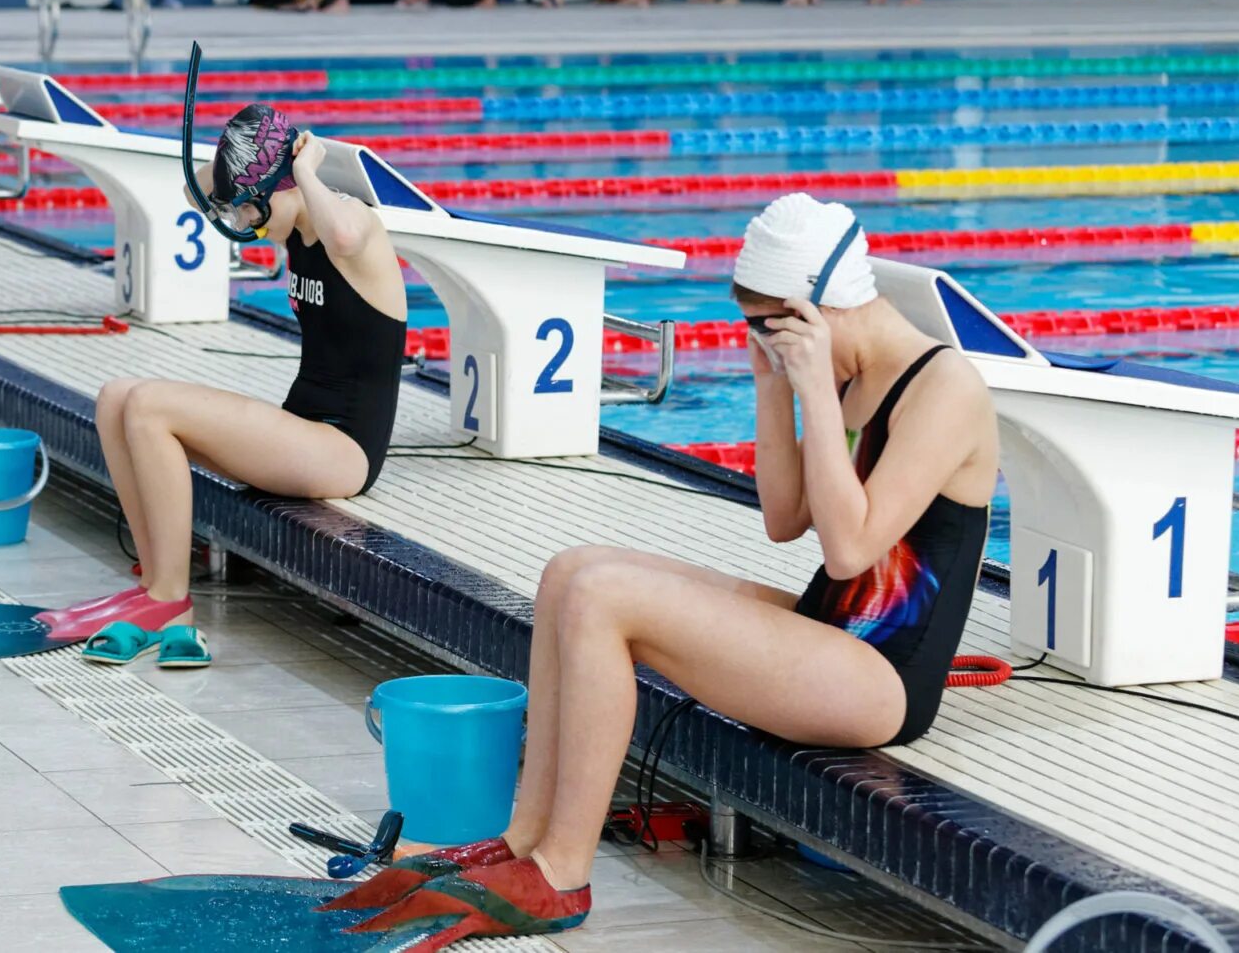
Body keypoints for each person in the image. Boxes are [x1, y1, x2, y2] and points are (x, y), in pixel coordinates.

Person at [329, 193, 995, 947]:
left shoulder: (945, 388)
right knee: (574, 572)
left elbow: (850, 549)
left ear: (817, 310)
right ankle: (524, 836)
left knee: (609, 599)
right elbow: (785, 518)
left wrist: (810, 385)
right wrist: (775, 386)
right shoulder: (845, 368)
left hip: (882, 678)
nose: (765, 342)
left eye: (769, 326)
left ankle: (562, 871)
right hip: (829, 635)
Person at [44, 94, 407, 670]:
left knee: (150, 407)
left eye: (252, 212)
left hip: (344, 449)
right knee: (117, 397)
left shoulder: (351, 221)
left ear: (287, 185)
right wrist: (243, 154)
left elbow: (341, 237)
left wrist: (304, 166)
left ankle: (169, 604)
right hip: (300, 429)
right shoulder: (288, 218)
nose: (248, 226)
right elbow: (198, 190)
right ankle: (156, 590)